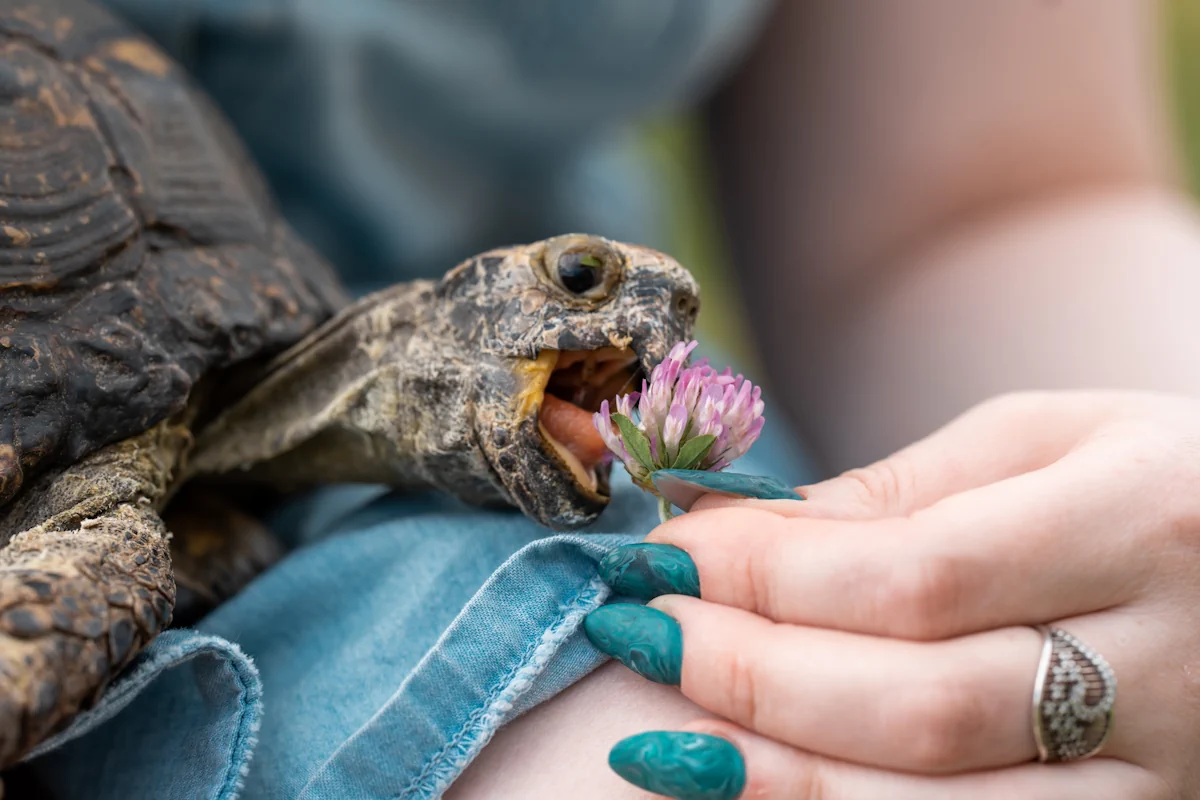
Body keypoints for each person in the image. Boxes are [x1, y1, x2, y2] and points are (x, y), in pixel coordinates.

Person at [20, 1, 1200, 799]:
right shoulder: (101, 535)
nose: (647, 308)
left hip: (462, 503)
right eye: (582, 282)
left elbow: (988, 200)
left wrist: (1156, 491)